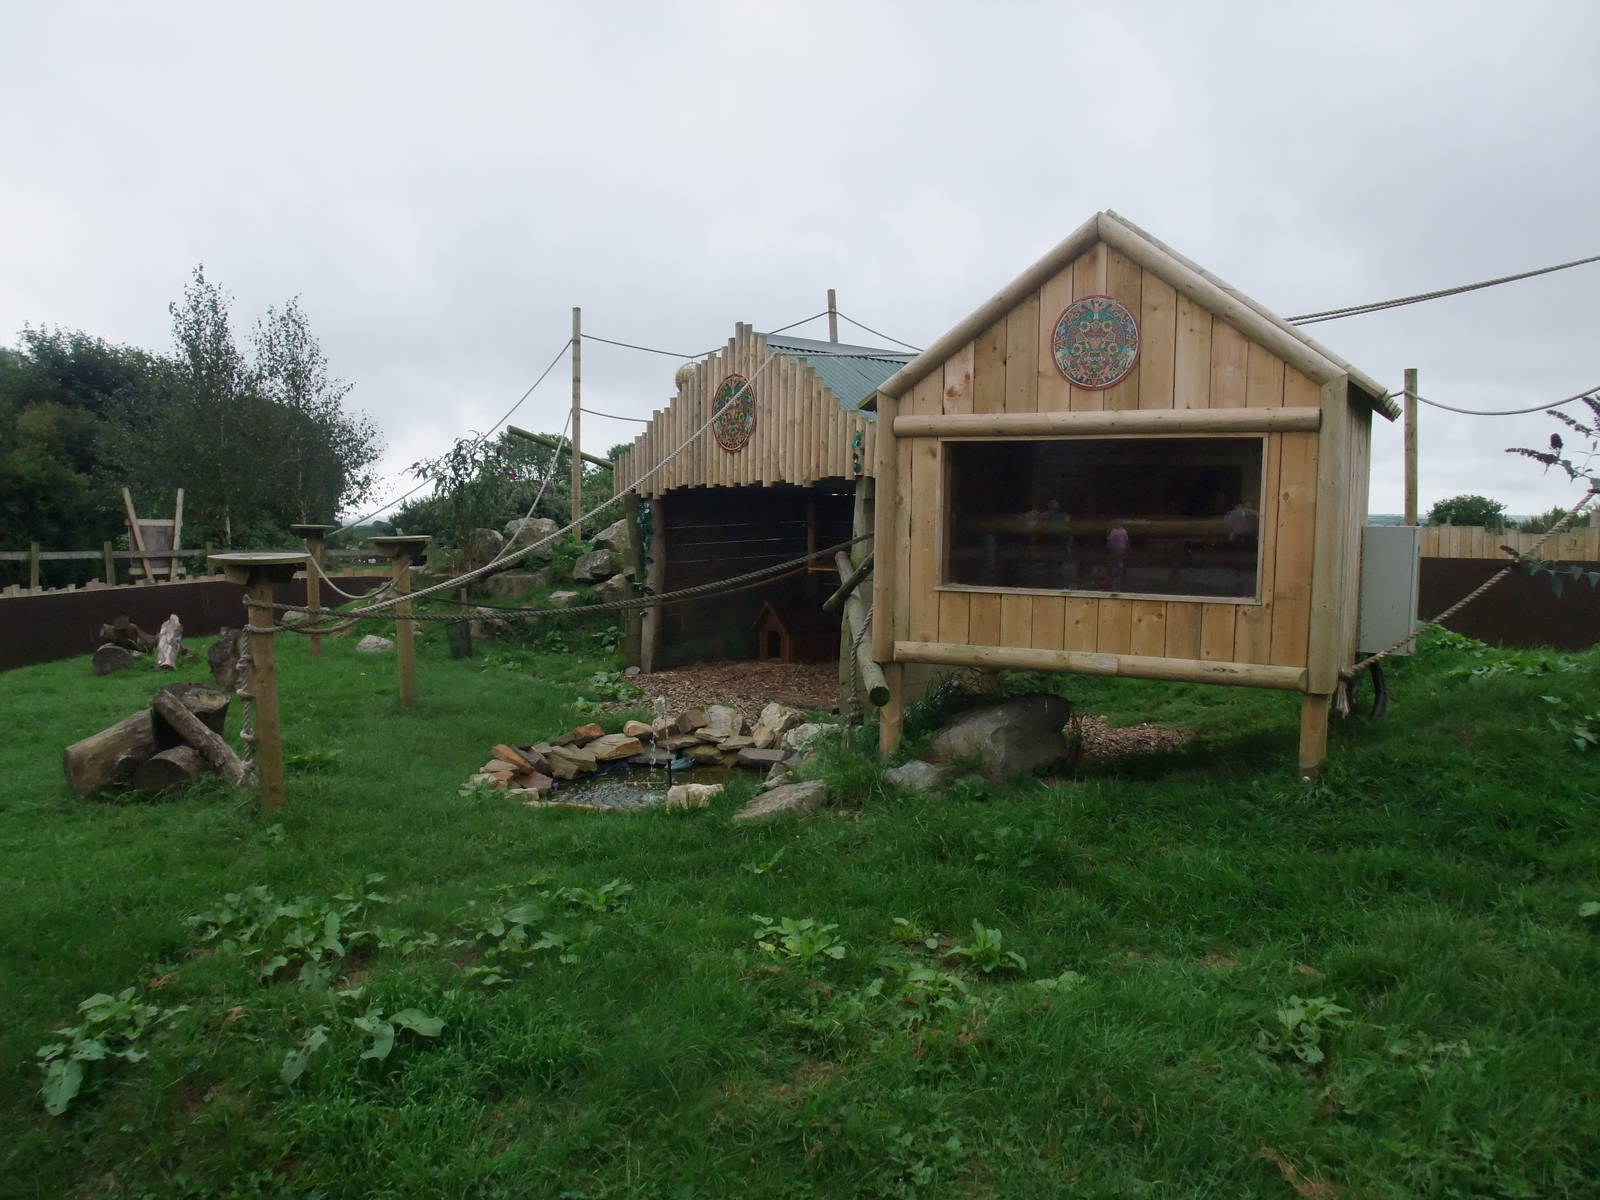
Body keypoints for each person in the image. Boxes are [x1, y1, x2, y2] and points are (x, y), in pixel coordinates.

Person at [1106, 520, 1129, 588]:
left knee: (1114, 561)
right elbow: (1127, 541)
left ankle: (1114, 574)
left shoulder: (1114, 531)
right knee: (1120, 560)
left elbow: (1111, 541)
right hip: (1122, 549)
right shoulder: (1124, 531)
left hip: (1115, 549)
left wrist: (1109, 547)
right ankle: (1120, 572)